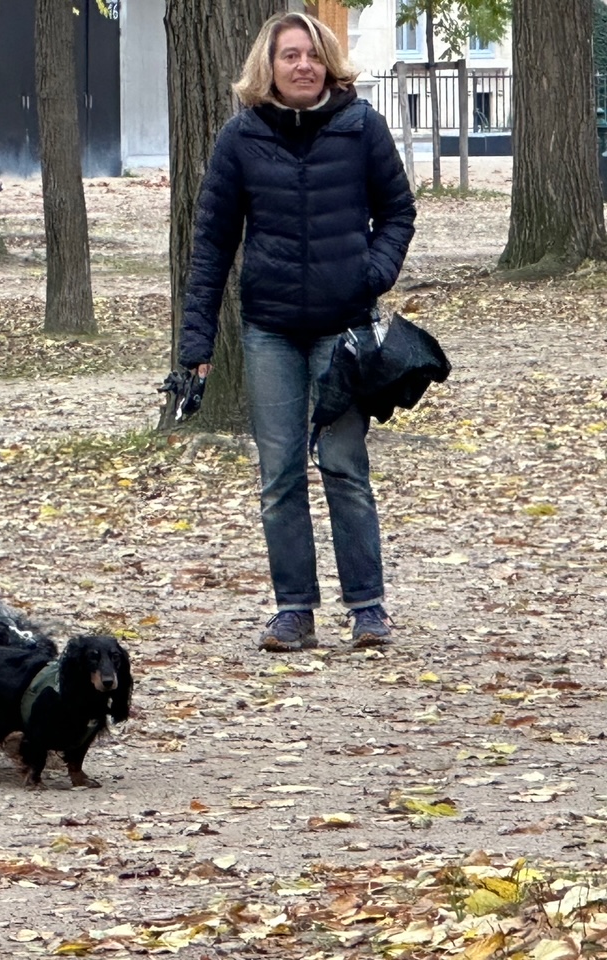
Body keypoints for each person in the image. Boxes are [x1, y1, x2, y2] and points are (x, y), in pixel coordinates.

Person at [176, 12, 415, 653]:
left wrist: (372, 274)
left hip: (343, 329)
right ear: (270, 65)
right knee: (280, 474)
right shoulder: (240, 138)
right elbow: (211, 248)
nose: (303, 65)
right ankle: (294, 610)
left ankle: (367, 607)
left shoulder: (362, 127)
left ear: (328, 61)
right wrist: (195, 347)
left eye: (312, 54)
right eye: (289, 55)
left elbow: (398, 212)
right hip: (270, 332)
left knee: (343, 465)